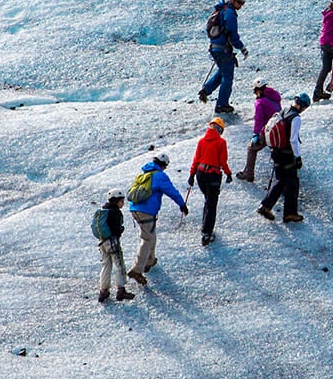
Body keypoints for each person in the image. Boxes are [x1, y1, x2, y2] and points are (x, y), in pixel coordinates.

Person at [127, 152, 188, 285]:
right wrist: (182, 204)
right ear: (164, 165)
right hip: (146, 211)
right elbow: (172, 191)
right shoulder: (160, 176)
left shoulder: (143, 174)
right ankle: (137, 269)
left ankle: (149, 260)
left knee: (151, 235)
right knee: (147, 239)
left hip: (135, 209)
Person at [258, 93, 309, 223]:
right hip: (287, 154)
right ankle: (290, 213)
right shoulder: (295, 118)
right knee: (292, 182)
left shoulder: (285, 110)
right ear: (303, 105)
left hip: (276, 151)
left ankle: (266, 206)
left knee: (280, 180)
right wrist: (297, 157)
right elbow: (293, 139)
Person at [198, 0, 249, 114]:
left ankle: (206, 90)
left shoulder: (221, 10)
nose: (240, 6)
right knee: (227, 76)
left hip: (215, 47)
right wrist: (242, 48)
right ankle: (221, 105)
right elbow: (232, 33)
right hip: (223, 49)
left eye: (242, 3)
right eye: (239, 3)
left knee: (222, 71)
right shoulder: (230, 13)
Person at [187, 116, 233, 247]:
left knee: (208, 200)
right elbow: (222, 162)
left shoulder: (202, 141)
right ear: (219, 129)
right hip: (213, 175)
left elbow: (196, 159)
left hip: (200, 174)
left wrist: (191, 174)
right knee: (212, 204)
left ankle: (205, 227)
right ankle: (206, 233)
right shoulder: (221, 142)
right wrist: (228, 174)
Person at [237, 77, 282, 181]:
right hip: (278, 128)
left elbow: (259, 119)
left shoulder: (260, 102)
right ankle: (246, 170)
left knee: (251, 148)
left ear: (257, 90)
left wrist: (256, 134)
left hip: (268, 130)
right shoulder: (274, 96)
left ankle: (248, 174)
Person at [94, 190, 134, 303]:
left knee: (106, 265)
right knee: (119, 264)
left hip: (102, 242)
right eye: (121, 201)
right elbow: (117, 229)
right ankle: (121, 290)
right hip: (112, 242)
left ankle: (103, 291)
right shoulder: (115, 212)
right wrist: (121, 229)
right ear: (116, 201)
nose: (123, 204)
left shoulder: (103, 210)